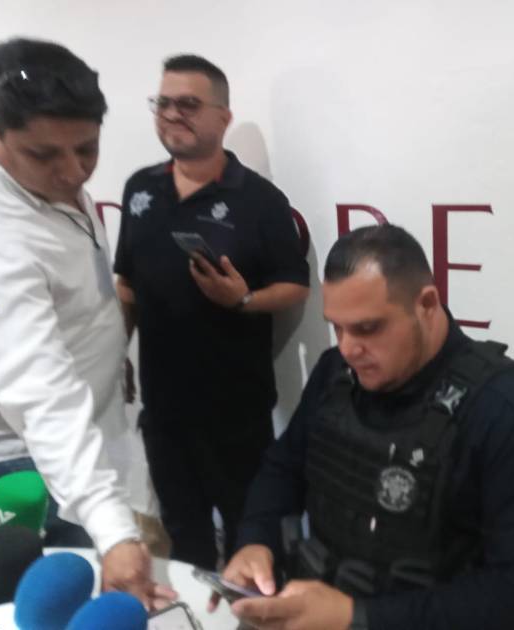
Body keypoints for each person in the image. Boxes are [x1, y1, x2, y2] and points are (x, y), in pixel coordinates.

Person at [217, 225, 514, 630]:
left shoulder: (502, 410)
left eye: (367, 328)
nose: (348, 349)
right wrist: (256, 540)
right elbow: (283, 467)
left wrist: (358, 617)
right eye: (337, 327)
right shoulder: (336, 374)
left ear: (427, 304)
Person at [0, 37, 174, 607]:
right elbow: (40, 392)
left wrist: (110, 349)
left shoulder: (53, 187)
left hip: (102, 438)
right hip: (30, 471)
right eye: (46, 155)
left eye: (87, 148)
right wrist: (112, 529)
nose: (73, 172)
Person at [114, 54, 310, 570]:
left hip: (236, 416)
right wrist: (117, 352)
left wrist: (242, 300)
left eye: (187, 104)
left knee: (252, 541)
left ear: (223, 117)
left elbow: (295, 286)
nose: (171, 114)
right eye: (163, 103)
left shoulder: (261, 200)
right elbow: (127, 283)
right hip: (163, 412)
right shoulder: (140, 188)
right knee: (185, 541)